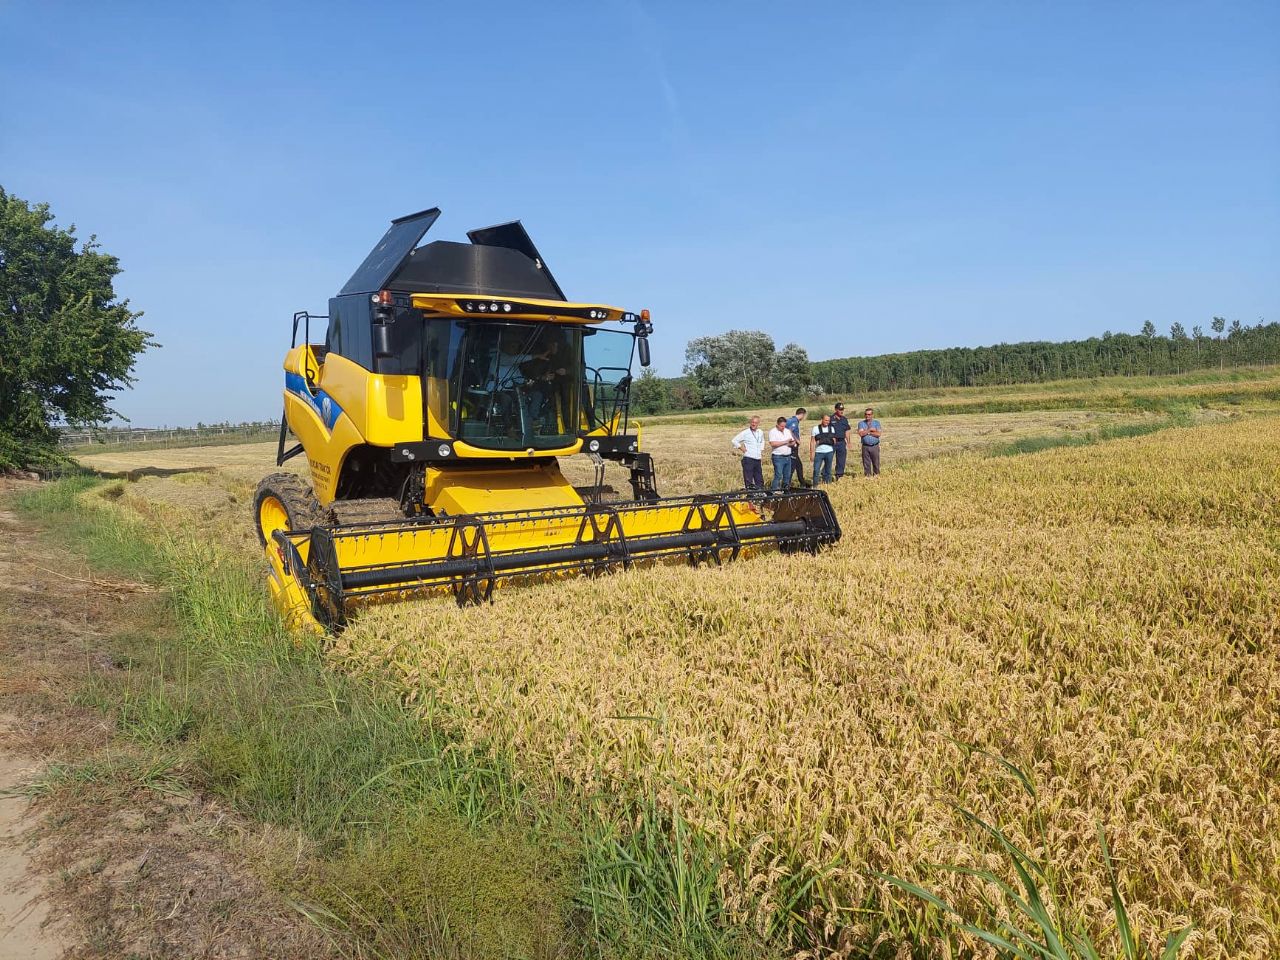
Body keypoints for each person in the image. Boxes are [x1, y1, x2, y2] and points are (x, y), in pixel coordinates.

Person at [731, 415, 766, 489]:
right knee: (749, 480)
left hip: (757, 459)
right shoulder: (746, 432)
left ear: (758, 423)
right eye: (752, 422)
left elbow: (762, 441)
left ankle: (760, 495)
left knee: (759, 480)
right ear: (750, 423)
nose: (753, 424)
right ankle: (750, 495)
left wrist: (761, 449)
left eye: (755, 423)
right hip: (748, 459)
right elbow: (734, 440)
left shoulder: (760, 432)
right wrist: (742, 448)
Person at [768, 416, 795, 491]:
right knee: (778, 475)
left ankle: (785, 490)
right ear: (777, 424)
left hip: (788, 456)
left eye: (784, 426)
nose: (783, 427)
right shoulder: (773, 432)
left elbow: (792, 441)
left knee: (787, 475)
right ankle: (774, 491)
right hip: (778, 457)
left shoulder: (787, 431)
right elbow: (773, 444)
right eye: (781, 426)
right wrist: (785, 442)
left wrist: (792, 443)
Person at [784, 407, 808, 488]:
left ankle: (802, 483)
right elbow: (790, 431)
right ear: (802, 414)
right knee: (793, 466)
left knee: (798, 465)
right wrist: (797, 440)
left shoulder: (790, 420)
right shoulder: (794, 422)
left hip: (791, 446)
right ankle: (786, 485)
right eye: (804, 416)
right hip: (793, 446)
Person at [810, 414, 837, 485]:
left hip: (829, 452)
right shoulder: (815, 428)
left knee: (828, 471)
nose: (827, 422)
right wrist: (812, 453)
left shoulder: (832, 428)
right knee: (816, 470)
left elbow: (834, 441)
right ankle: (815, 486)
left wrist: (821, 441)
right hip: (819, 453)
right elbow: (812, 442)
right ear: (822, 419)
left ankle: (828, 485)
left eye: (828, 420)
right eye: (826, 420)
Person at [858, 405, 882, 476]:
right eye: (865, 414)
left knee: (876, 462)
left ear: (872, 415)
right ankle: (868, 476)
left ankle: (876, 475)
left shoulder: (876, 423)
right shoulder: (861, 423)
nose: (867, 416)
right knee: (866, 463)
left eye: (869, 414)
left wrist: (867, 432)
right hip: (865, 446)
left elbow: (878, 434)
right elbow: (861, 434)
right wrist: (870, 430)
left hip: (875, 446)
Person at [830, 402, 851, 479]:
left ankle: (839, 475)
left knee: (841, 460)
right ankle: (825, 475)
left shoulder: (844, 419)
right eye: (840, 409)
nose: (842, 411)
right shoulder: (830, 419)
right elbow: (826, 430)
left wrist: (848, 442)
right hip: (832, 443)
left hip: (842, 442)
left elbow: (847, 431)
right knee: (828, 459)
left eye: (842, 409)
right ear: (836, 410)